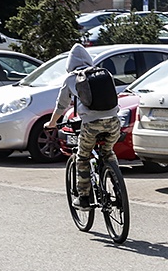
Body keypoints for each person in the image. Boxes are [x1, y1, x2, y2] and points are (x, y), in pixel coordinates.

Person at [45, 44, 121, 209]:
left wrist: (52, 124)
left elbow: (61, 105)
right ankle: (117, 183)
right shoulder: (103, 73)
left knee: (82, 157)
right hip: (114, 122)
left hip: (91, 125)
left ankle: (84, 198)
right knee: (107, 152)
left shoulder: (72, 78)